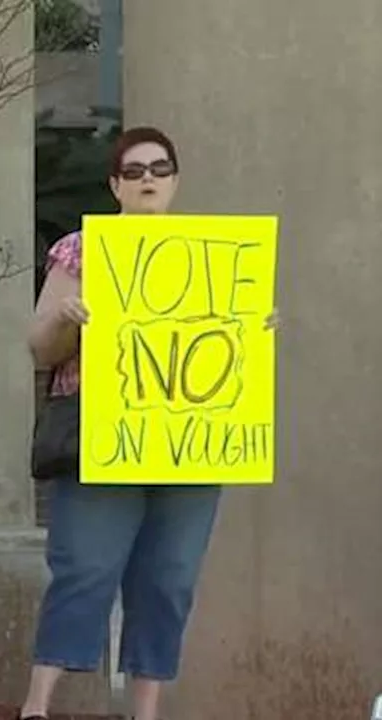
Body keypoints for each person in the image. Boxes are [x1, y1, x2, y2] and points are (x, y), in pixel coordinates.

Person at [16, 126, 278, 720]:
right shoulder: (83, 251)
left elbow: (227, 352)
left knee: (170, 578)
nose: (148, 179)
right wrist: (68, 321)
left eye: (159, 168)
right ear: (114, 184)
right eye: (133, 171)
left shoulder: (213, 254)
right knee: (84, 567)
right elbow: (39, 347)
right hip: (103, 433)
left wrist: (251, 330)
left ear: (176, 179)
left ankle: (146, 710)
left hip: (190, 440)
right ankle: (36, 707)